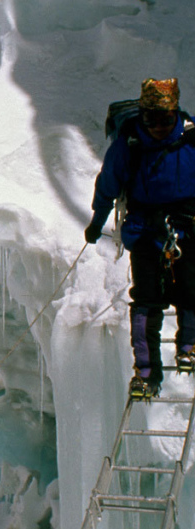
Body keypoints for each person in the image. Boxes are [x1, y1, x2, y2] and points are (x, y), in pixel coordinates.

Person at [84, 77, 195, 400]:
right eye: (151, 119)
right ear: (142, 116)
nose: (158, 127)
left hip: (187, 227)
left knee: (191, 289)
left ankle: (189, 346)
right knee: (146, 301)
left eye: (164, 119)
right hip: (146, 231)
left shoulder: (191, 139)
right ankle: (146, 373)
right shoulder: (128, 145)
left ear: (175, 114)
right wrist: (97, 222)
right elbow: (107, 186)